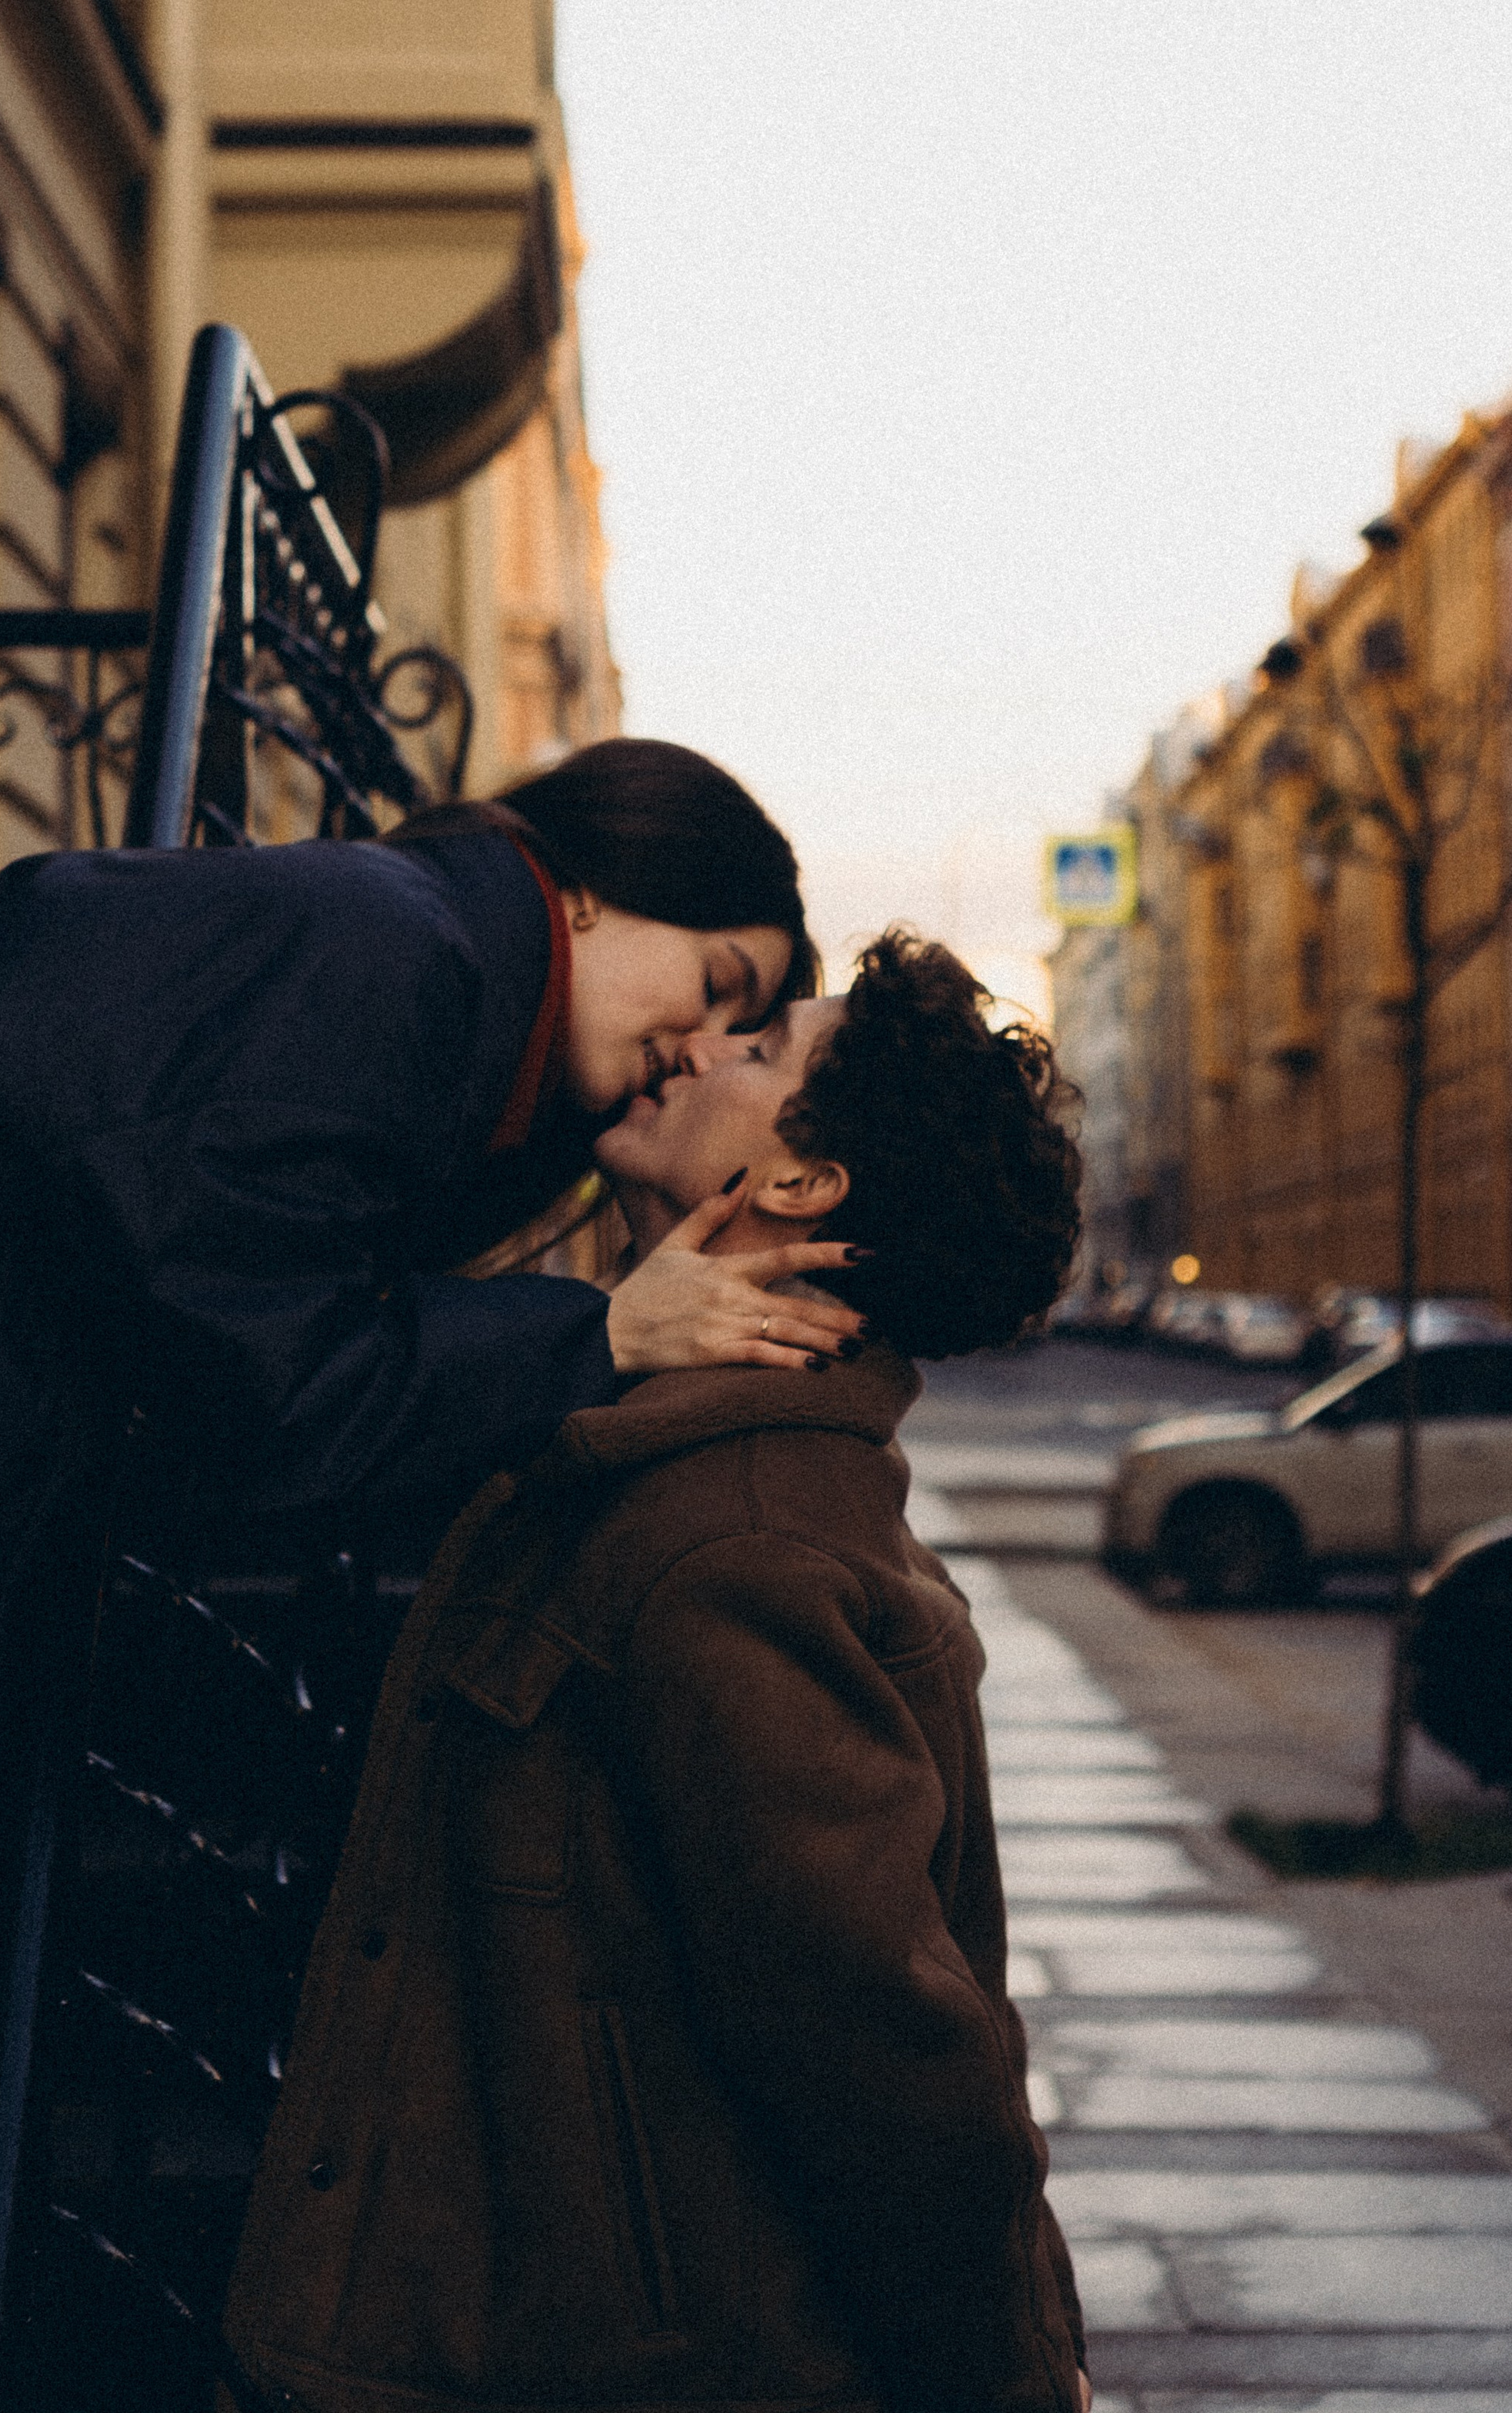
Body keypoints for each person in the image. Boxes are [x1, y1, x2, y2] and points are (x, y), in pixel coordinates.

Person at [0, 738, 859, 2413]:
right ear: (597, 887)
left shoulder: (411, 959)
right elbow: (269, 1376)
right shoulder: (403, 951)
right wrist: (589, 1335)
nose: (699, 1042)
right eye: (720, 982)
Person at [224, 928, 1091, 2413]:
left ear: (803, 1185)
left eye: (758, 1049)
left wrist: (1014, 2379)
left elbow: (888, 2054)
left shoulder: (732, 1544)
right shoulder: (651, 1465)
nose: (698, 1043)